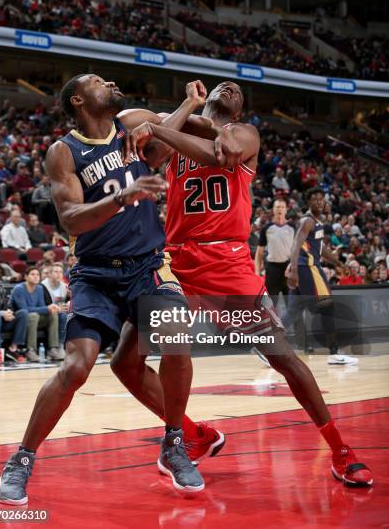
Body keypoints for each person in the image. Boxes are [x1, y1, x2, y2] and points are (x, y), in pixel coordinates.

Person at [111, 81, 372, 489]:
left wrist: (161, 126)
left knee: (282, 356)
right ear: (209, 95)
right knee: (124, 363)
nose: (230, 87)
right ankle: (194, 436)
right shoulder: (182, 125)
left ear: (238, 111)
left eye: (238, 90)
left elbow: (223, 150)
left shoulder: (245, 134)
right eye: (222, 85)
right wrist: (182, 109)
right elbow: (137, 140)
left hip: (226, 260)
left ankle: (340, 449)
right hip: (174, 260)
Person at [0, 74, 212, 506]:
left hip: (148, 265)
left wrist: (188, 104)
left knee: (176, 341)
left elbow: (162, 145)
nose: (109, 81)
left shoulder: (131, 123)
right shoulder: (64, 151)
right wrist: (122, 197)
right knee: (77, 366)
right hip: (94, 273)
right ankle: (20, 460)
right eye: (97, 81)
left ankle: (174, 442)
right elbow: (71, 218)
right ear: (78, 100)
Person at [285, 187, 358, 365]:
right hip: (307, 268)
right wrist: (294, 269)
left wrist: (339, 263)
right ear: (308, 202)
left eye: (321, 199)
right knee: (327, 306)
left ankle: (264, 347)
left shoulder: (318, 222)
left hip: (307, 267)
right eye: (315, 199)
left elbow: (321, 249)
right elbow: (295, 244)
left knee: (293, 311)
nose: (319, 202)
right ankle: (334, 353)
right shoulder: (307, 220)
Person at [10, 266, 62, 362]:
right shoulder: (19, 289)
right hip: (19, 319)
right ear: (26, 277)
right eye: (32, 274)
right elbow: (24, 309)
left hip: (35, 318)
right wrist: (47, 308)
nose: (36, 277)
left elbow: (42, 307)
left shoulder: (39, 288)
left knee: (53, 314)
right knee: (33, 315)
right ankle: (31, 350)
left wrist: (51, 308)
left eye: (37, 274)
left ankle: (53, 349)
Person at [255, 198, 295, 299]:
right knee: (271, 303)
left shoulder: (293, 227)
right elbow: (259, 252)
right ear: (273, 209)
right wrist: (257, 272)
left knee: (291, 304)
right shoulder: (267, 228)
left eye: (282, 207)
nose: (279, 209)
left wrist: (293, 265)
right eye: (277, 207)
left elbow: (298, 250)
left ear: (286, 209)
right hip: (272, 269)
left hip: (288, 268)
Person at [41, 262, 69, 345]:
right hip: (47, 312)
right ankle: (59, 345)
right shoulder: (43, 286)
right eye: (56, 272)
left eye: (60, 272)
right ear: (49, 274)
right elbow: (43, 304)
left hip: (60, 312)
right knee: (62, 316)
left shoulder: (65, 286)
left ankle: (66, 345)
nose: (58, 274)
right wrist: (58, 308)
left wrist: (68, 304)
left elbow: (67, 302)